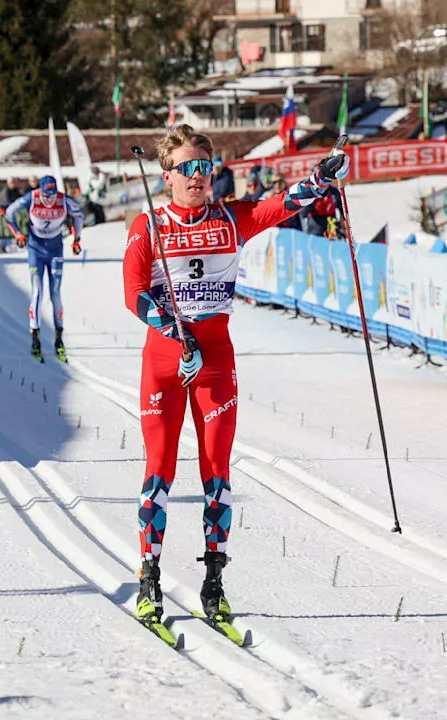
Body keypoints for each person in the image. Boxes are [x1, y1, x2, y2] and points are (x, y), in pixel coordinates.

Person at [123, 124, 349, 627]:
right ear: (167, 176)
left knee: (217, 475)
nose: (199, 177)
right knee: (159, 470)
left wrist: (322, 178)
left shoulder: (231, 219)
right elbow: (134, 293)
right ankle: (149, 577)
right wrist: (172, 330)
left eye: (206, 167)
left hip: (216, 362)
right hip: (166, 361)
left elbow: (282, 204)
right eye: (188, 168)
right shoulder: (149, 225)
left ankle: (214, 580)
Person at [4, 175, 84, 361]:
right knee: (37, 293)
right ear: (40, 191)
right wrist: (18, 235)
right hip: (36, 249)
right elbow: (9, 213)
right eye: (46, 196)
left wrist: (77, 239)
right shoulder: (32, 197)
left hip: (55, 248)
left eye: (53, 195)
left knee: (55, 293)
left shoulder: (63, 199)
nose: (50, 200)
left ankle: (59, 339)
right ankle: (35, 339)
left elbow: (78, 215)